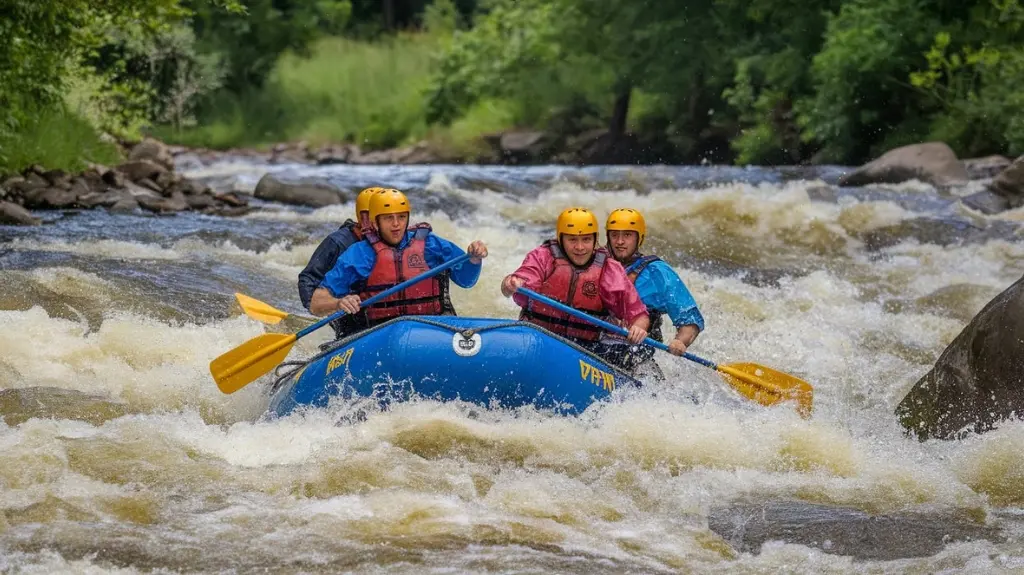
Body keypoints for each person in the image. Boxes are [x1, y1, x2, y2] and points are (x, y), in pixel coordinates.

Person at [309, 189, 488, 337]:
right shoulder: (358, 255)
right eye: (388, 218)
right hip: (378, 335)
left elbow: (467, 281)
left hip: (431, 331)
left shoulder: (431, 245)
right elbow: (316, 304)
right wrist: (338, 303)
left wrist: (474, 259)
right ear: (375, 222)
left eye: (401, 217)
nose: (396, 224)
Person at [500, 207, 650, 362]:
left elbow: (639, 314)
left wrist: (639, 328)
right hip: (539, 337)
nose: (580, 247)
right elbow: (512, 286)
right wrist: (510, 284)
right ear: (561, 239)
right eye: (572, 239)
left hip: (586, 348)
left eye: (586, 239)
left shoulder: (609, 269)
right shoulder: (543, 257)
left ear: (595, 240)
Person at [602, 207, 705, 378]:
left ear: (638, 238)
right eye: (615, 235)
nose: (620, 241)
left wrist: (681, 341)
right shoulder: (596, 263)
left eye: (627, 235)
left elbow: (689, 319)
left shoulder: (657, 272)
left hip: (637, 353)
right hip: (600, 345)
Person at [298, 187, 384, 338]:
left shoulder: (390, 242)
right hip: (340, 308)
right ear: (361, 217)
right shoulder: (337, 243)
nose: (375, 223)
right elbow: (308, 279)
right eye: (370, 217)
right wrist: (328, 305)